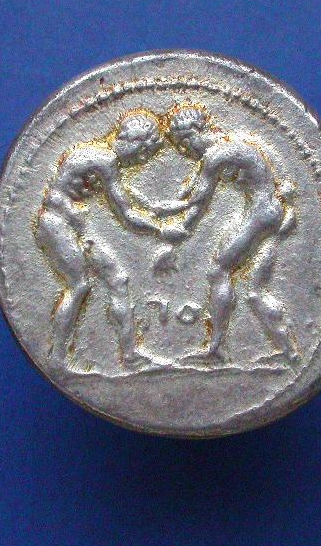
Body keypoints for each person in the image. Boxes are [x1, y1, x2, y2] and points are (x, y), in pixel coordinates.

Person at [36, 110, 186, 370]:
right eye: (143, 152)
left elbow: (129, 199)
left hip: (72, 227)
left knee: (118, 279)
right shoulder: (104, 160)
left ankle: (129, 356)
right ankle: (57, 358)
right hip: (56, 225)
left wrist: (163, 209)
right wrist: (162, 230)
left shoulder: (100, 159)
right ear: (134, 142)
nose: (142, 160)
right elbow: (126, 214)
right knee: (79, 285)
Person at [157, 103, 298, 364]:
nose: (186, 151)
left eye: (184, 143)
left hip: (261, 214)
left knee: (219, 270)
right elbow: (195, 197)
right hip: (271, 212)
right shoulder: (229, 149)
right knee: (255, 290)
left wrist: (174, 225)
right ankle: (288, 351)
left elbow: (199, 201)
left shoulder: (216, 155)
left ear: (194, 132)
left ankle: (216, 350)